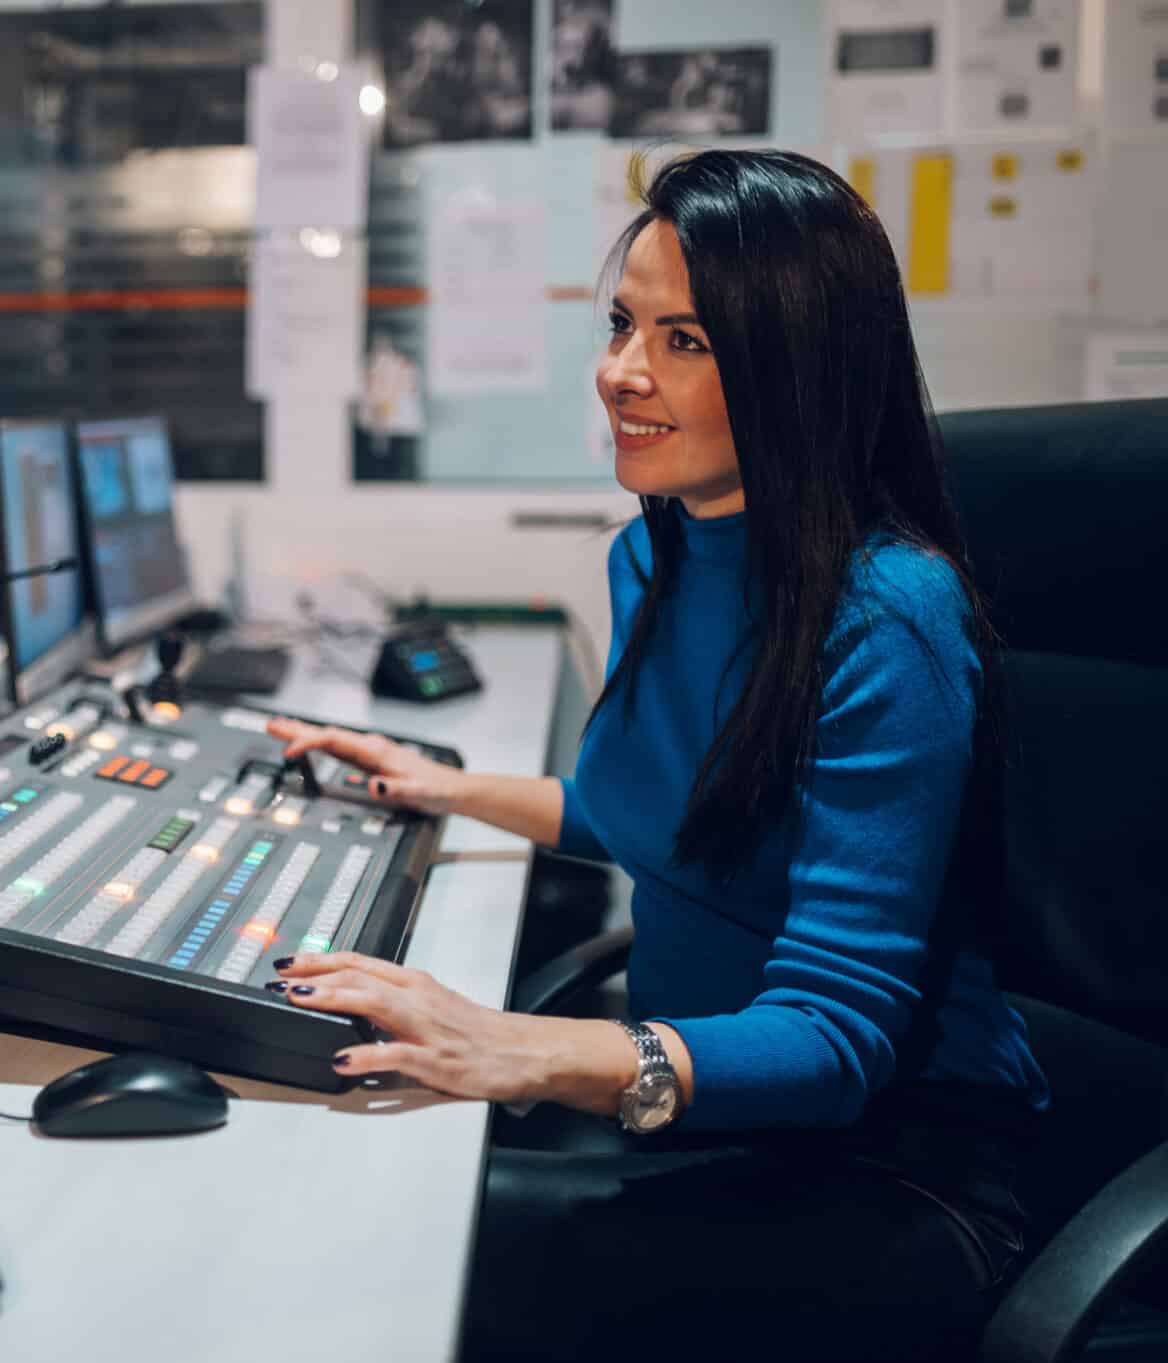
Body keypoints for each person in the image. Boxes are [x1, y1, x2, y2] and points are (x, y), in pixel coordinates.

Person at [265, 149, 1049, 1361]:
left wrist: (511, 1044)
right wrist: (436, 785)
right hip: (698, 1109)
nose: (622, 373)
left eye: (685, 340)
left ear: (795, 365)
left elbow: (838, 1034)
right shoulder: (662, 552)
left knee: (368, 1262)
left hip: (881, 1168)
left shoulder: (889, 618)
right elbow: (660, 814)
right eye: (624, 323)